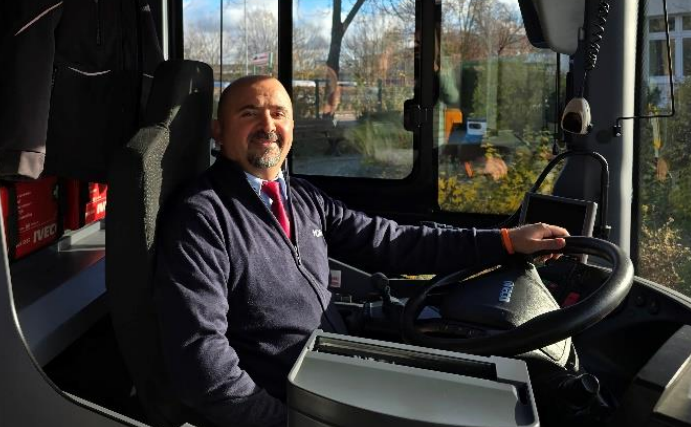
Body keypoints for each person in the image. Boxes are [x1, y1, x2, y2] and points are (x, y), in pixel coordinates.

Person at [154, 76, 569, 427]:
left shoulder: (303, 199)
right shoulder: (203, 216)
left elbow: (393, 240)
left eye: (278, 113)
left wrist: (505, 241)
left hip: (340, 367)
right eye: (249, 113)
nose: (267, 124)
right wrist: (284, 421)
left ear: (292, 127)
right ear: (218, 131)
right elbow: (202, 361)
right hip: (295, 401)